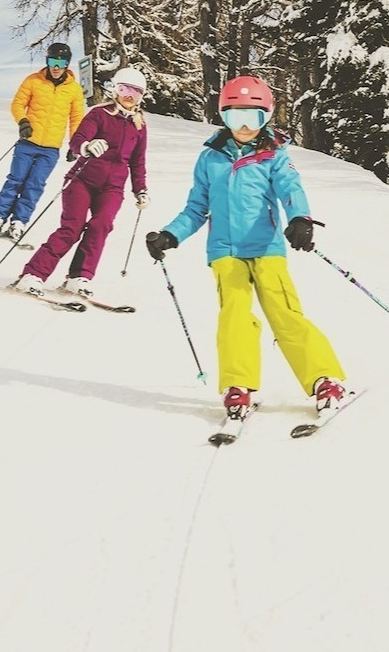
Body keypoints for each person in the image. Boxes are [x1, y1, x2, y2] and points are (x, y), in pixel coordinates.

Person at [145, 75, 350, 421]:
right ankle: (238, 384)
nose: (243, 126)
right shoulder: (209, 159)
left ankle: (324, 378)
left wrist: (300, 218)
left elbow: (290, 188)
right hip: (224, 251)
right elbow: (196, 207)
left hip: (266, 247)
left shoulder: (274, 155)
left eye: (252, 117)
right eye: (234, 116)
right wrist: (171, 235)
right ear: (223, 116)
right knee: (234, 316)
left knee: (285, 313)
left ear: (266, 116)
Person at [18, 66, 150, 298]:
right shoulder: (99, 114)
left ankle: (79, 277)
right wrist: (86, 147)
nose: (129, 96)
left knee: (101, 226)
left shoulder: (139, 126)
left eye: (136, 92)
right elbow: (77, 139)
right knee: (72, 228)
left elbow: (137, 161)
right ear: (115, 90)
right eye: (124, 89)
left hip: (112, 188)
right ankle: (33, 274)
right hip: (82, 181)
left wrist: (140, 190)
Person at [0, 42, 86, 242]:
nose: (56, 67)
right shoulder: (33, 81)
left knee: (35, 185)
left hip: (51, 148)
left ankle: (19, 221)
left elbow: (76, 118)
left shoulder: (74, 90)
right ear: (47, 61)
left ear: (67, 64)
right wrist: (23, 122)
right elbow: (18, 104)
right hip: (28, 142)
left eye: (61, 63)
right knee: (15, 180)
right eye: (52, 61)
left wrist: (74, 144)